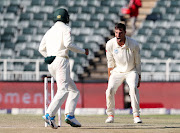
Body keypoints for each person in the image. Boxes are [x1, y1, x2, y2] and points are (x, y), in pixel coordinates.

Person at [39, 8, 89, 129]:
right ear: (66, 18)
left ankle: (70, 115)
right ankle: (49, 115)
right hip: (61, 61)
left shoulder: (49, 31)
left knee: (74, 91)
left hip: (51, 63)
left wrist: (47, 57)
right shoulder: (66, 29)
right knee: (63, 90)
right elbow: (68, 45)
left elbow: (41, 48)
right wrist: (83, 51)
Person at [105, 23, 142, 124]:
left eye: (120, 33)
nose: (118, 35)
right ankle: (110, 115)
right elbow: (110, 63)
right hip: (117, 71)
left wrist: (139, 76)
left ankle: (136, 115)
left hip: (131, 70)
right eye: (116, 33)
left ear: (125, 33)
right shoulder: (110, 44)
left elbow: (138, 61)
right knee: (110, 90)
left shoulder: (134, 44)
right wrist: (110, 79)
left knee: (133, 88)